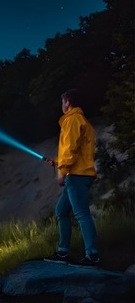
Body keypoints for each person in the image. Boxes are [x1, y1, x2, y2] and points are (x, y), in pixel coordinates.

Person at [44, 89, 100, 268]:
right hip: (79, 174)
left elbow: (70, 149)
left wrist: (62, 170)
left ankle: (92, 256)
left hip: (76, 176)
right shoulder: (83, 122)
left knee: (82, 213)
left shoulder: (72, 119)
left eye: (62, 102)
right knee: (61, 211)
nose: (62, 106)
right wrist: (56, 161)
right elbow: (77, 150)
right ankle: (63, 252)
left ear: (68, 102)